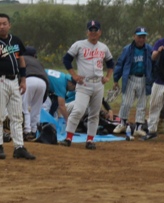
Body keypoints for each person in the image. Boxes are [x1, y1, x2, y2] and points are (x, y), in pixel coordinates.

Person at [0, 13, 35, 161]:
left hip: (14, 80)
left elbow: (21, 60)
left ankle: (19, 147)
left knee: (17, 116)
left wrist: (23, 80)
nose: (2, 26)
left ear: (9, 25)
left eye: (5, 23)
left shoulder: (15, 40)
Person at [60, 20, 115, 149]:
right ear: (87, 32)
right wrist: (74, 75)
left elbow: (111, 63)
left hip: (98, 84)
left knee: (94, 113)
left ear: (100, 32)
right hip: (84, 84)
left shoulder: (103, 47)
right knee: (78, 110)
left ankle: (90, 140)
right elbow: (66, 59)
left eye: (96, 30)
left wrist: (108, 77)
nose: (93, 32)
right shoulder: (79, 45)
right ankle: (68, 138)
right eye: (91, 30)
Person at [112, 27, 154, 137]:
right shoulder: (128, 49)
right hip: (131, 78)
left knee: (142, 104)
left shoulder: (149, 49)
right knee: (126, 102)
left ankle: (138, 127)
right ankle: (122, 124)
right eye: (139, 36)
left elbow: (154, 64)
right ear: (134, 36)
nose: (141, 39)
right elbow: (120, 64)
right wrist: (116, 79)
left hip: (144, 79)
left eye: (143, 37)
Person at [20, 46, 49, 139]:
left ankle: (27, 131)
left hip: (29, 80)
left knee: (25, 106)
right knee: (36, 109)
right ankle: (33, 131)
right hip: (43, 83)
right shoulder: (38, 62)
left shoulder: (22, 58)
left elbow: (18, 72)